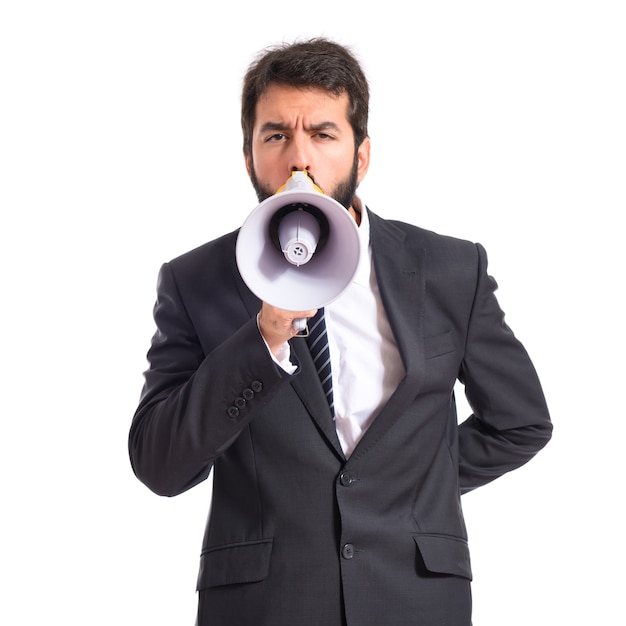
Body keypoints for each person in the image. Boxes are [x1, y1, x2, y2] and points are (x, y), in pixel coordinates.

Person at [129, 37, 552, 626]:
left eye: (323, 135)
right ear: (248, 156)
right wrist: (263, 339)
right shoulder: (194, 280)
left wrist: (405, 489)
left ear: (362, 155)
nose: (298, 160)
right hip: (264, 606)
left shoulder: (451, 269)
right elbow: (160, 464)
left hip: (416, 599)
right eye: (275, 135)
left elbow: (521, 421)